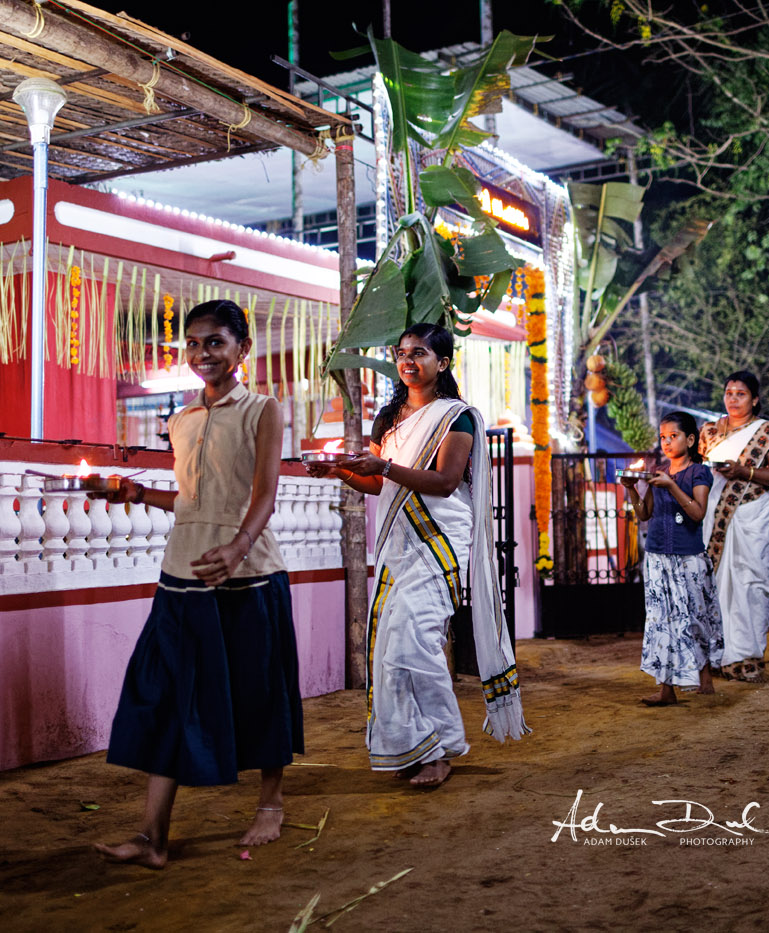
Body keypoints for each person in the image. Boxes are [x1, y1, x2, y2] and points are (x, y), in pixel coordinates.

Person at [94, 299, 301, 869]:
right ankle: (152, 838)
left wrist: (237, 547)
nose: (201, 353)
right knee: (166, 695)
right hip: (182, 574)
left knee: (259, 689)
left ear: (242, 350)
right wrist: (134, 494)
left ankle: (271, 801)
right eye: (192, 342)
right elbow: (190, 499)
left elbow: (263, 495)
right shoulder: (181, 421)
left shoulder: (263, 409)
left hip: (248, 573)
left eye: (214, 342)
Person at [306, 323, 527, 788]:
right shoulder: (388, 418)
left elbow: (446, 482)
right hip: (397, 542)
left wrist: (384, 465)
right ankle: (411, 743)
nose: (408, 361)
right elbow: (376, 484)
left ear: (442, 363)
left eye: (420, 353)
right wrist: (340, 472)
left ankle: (444, 746)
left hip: (440, 538)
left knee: (415, 639)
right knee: (388, 646)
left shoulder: (456, 417)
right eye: (402, 353)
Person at [621, 411, 722, 706]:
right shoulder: (657, 473)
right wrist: (632, 489)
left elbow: (697, 513)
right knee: (660, 620)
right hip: (657, 556)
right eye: (662, 437)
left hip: (688, 557)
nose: (666, 442)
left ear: (690, 440)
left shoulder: (698, 473)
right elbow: (643, 514)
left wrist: (672, 486)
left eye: (673, 436)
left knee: (694, 616)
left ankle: (705, 677)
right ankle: (666, 688)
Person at [699, 371, 769, 681]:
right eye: (729, 393)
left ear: (754, 399)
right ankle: (718, 654)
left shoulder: (768, 432)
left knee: (749, 584)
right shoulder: (709, 432)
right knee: (715, 586)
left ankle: (746, 658)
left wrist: (744, 471)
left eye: (740, 394)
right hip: (715, 516)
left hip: (752, 515)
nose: (733, 399)